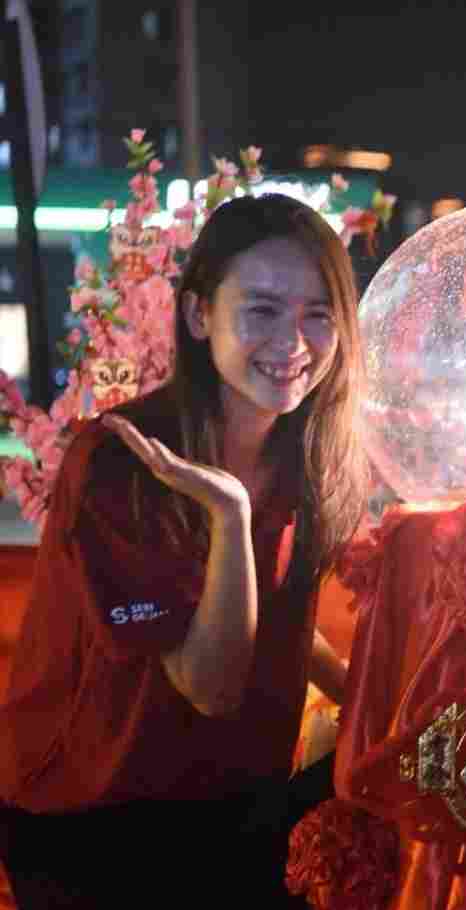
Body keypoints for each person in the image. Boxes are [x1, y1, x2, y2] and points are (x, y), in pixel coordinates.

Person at [0, 193, 369, 908]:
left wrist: (369, 693)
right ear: (200, 315)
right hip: (97, 819)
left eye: (317, 314)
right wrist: (229, 513)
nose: (293, 341)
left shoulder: (309, 451)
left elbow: (279, 613)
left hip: (238, 803)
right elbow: (211, 683)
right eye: (261, 310)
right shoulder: (124, 459)